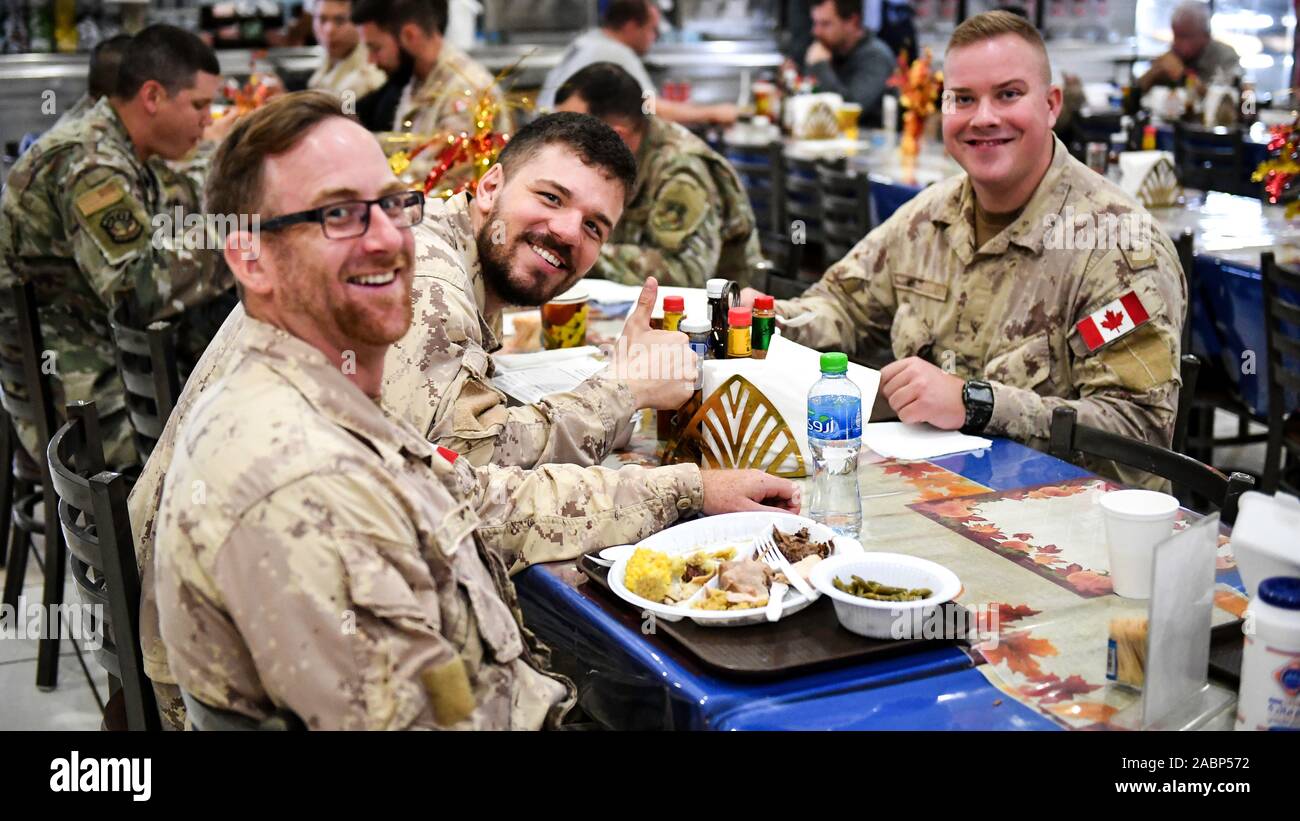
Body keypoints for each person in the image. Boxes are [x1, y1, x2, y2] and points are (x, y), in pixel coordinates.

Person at [151, 90, 799, 728]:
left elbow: (472, 495)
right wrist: (622, 391)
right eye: (340, 215)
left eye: (392, 205)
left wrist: (689, 488)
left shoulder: (326, 399)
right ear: (251, 258)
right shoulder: (305, 480)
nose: (389, 239)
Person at [741, 10, 1186, 490]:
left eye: (1008, 94)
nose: (984, 117)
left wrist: (977, 403)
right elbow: (843, 306)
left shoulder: (1115, 247)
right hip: (932, 498)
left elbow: (1140, 434)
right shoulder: (929, 216)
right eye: (964, 99)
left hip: (1067, 529)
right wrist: (767, 322)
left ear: (1052, 104)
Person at [0, 25, 232, 470]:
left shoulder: (112, 146)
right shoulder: (90, 162)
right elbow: (133, 290)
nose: (208, 120)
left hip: (82, 369)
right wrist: (243, 237)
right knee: (230, 444)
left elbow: (163, 216)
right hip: (82, 407)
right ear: (152, 97)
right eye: (200, 105)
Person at [554, 62, 764, 288]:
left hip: (721, 315)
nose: (562, 142)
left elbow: (685, 273)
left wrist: (579, 249)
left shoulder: (681, 169)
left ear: (616, 137)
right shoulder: (610, 161)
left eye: (574, 132)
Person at [538, 0, 739, 127]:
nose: (654, 38)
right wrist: (713, 112)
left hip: (543, 133)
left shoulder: (591, 40)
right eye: (652, 30)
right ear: (632, 26)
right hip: (558, 138)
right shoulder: (614, 52)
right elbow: (652, 108)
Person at [783, 0, 896, 127]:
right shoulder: (828, 49)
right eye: (815, 23)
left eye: (825, 24)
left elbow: (850, 110)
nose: (816, 31)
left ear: (853, 21)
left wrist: (820, 67)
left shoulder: (876, 57)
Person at [1137, 0, 1241, 92]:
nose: (1178, 43)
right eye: (1176, 35)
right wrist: (1152, 74)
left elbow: (1226, 99)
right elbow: (1136, 90)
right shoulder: (1173, 54)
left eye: (1185, 36)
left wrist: (1184, 75)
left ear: (1205, 34)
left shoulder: (1225, 57)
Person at [306, 0, 386, 102]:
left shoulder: (369, 79)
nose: (329, 30)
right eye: (322, 20)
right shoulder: (328, 63)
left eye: (340, 20)